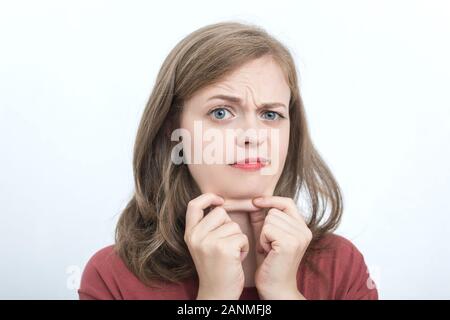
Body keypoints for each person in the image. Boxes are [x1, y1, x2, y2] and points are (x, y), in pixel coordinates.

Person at [78, 21, 378, 300]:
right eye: (221, 112)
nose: (252, 135)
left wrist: (284, 292)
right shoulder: (111, 277)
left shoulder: (342, 266)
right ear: (173, 129)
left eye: (270, 114)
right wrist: (215, 296)